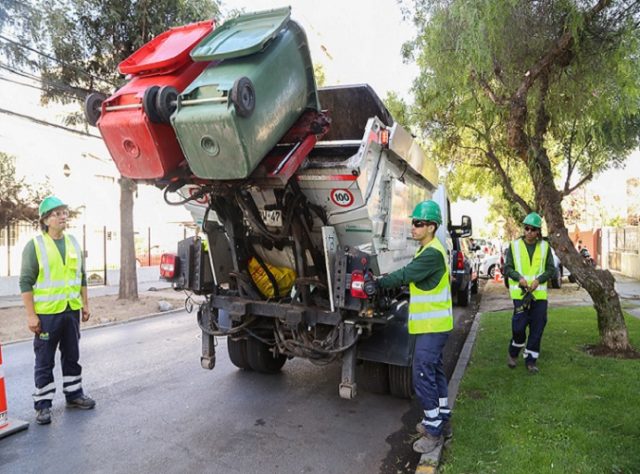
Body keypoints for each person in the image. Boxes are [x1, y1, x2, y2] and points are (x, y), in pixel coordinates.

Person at [376, 200, 453, 454]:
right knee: (436, 372)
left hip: (433, 327)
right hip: (433, 326)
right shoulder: (427, 250)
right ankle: (442, 419)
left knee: (422, 373)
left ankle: (433, 432)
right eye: (414, 222)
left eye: (419, 223)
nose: (414, 227)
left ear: (432, 227)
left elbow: (406, 275)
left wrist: (378, 283)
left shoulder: (431, 253)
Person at [20, 196, 96, 425]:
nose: (63, 216)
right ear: (46, 220)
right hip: (47, 315)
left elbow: (81, 276)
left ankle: (74, 395)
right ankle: (43, 405)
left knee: (72, 355)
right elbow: (25, 282)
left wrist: (85, 304)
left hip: (71, 311)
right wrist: (31, 315)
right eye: (58, 213)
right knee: (44, 360)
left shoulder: (73, 242)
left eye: (65, 212)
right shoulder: (35, 246)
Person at [504, 212, 556, 374]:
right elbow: (507, 268)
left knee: (537, 329)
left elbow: (551, 269)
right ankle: (513, 352)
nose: (529, 232)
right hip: (520, 296)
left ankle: (531, 361)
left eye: (533, 229)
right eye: (527, 228)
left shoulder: (545, 247)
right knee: (518, 328)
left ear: (538, 231)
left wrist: (538, 280)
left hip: (539, 297)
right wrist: (518, 277)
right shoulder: (514, 246)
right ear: (523, 229)